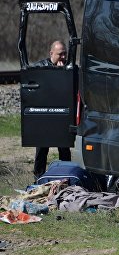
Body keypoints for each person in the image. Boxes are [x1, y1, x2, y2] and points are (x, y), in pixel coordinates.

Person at [32, 40, 71, 179]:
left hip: (61, 114)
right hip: (45, 114)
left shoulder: (68, 68)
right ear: (51, 53)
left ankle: (65, 177)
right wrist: (56, 72)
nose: (63, 58)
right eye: (60, 54)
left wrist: (63, 72)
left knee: (64, 148)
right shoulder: (40, 66)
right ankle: (39, 177)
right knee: (42, 148)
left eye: (65, 54)